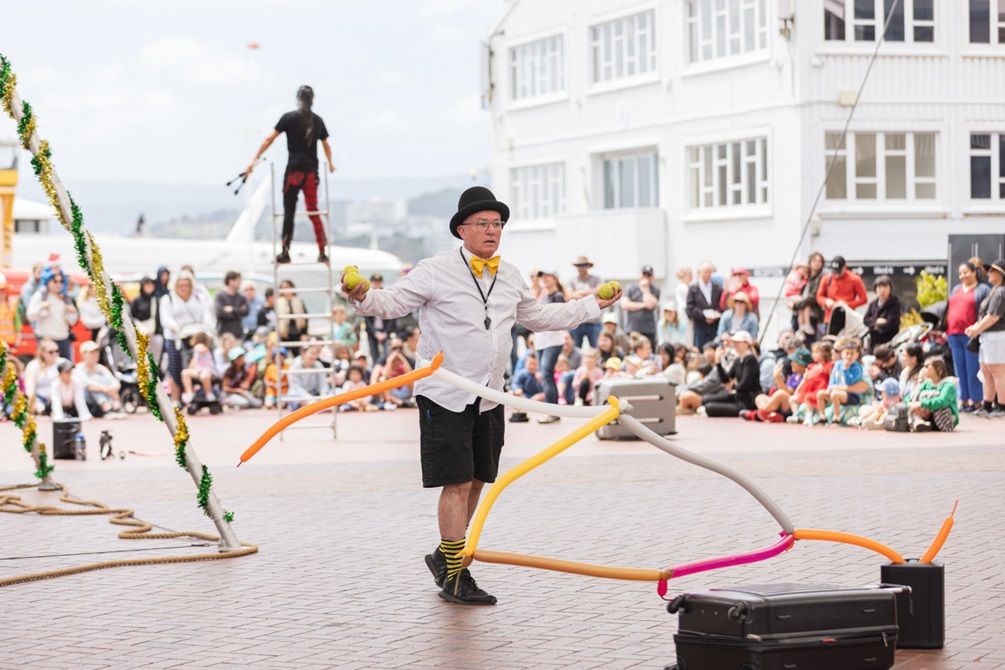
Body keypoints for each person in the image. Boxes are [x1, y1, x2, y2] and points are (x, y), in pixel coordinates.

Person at [342, 185, 622, 605]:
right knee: (455, 482)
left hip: (490, 394)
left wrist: (590, 306)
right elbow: (391, 302)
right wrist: (362, 296)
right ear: (462, 230)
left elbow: (539, 316)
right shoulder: (435, 269)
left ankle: (444, 557)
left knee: (476, 480)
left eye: (498, 224)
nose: (492, 231)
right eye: (483, 224)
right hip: (446, 392)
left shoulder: (509, 274)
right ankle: (455, 576)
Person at [244, 85, 335, 264]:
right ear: (312, 99)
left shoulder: (289, 118)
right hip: (310, 172)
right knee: (313, 211)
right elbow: (326, 145)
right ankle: (322, 251)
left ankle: (285, 251)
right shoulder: (317, 121)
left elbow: (269, 139)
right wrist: (330, 164)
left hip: (294, 171)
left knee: (289, 212)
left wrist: (253, 161)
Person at [160, 271, 214, 404]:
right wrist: (175, 327)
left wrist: (205, 327)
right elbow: (166, 318)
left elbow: (207, 314)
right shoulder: (168, 299)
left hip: (196, 337)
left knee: (198, 366)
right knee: (175, 368)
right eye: (181, 285)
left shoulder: (198, 298)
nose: (183, 288)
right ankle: (176, 399)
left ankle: (201, 394)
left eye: (186, 285)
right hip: (176, 338)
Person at [946, 260, 990, 412]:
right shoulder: (956, 289)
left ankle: (977, 402)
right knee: (959, 370)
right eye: (960, 273)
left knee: (973, 370)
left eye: (966, 272)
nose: (963, 276)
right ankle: (963, 401)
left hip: (971, 335)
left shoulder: (983, 289)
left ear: (974, 272)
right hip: (953, 334)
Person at [965, 258, 1005, 417]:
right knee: (986, 371)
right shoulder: (995, 290)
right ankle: (987, 404)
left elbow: (994, 316)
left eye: (993, 270)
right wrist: (976, 328)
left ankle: (1002, 406)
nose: (989, 273)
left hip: (996, 335)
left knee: (998, 371)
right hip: (987, 335)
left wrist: (976, 328)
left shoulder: (1001, 292)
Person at [700, 331, 761, 417]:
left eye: (738, 342)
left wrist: (732, 387)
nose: (735, 345)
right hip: (737, 396)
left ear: (746, 344)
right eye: (734, 342)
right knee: (705, 399)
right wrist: (718, 363)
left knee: (709, 407)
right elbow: (726, 379)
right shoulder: (737, 360)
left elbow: (745, 384)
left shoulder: (750, 360)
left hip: (746, 401)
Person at [534, 269, 567, 424]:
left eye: (548, 276)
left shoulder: (558, 295)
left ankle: (552, 412)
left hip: (553, 341)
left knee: (547, 374)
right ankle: (552, 411)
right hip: (541, 341)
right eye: (543, 277)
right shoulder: (543, 294)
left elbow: (559, 317)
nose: (544, 279)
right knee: (545, 375)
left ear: (555, 279)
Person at [26, 267, 79, 362]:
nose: (58, 284)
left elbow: (73, 321)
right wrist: (41, 307)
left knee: (66, 368)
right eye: (55, 281)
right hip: (46, 340)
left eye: (61, 281)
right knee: (45, 368)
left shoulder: (65, 298)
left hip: (63, 339)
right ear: (48, 281)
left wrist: (73, 312)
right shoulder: (40, 296)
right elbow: (30, 316)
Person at [748, 347, 811, 422]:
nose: (791, 363)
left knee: (781, 394)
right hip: (781, 404)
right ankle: (770, 414)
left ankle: (757, 414)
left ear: (802, 364)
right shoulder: (793, 376)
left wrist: (777, 377)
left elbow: (789, 393)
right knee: (760, 397)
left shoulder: (805, 377)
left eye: (795, 362)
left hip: (792, 405)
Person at [817, 338, 868, 425]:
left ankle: (837, 418)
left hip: (851, 395)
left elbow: (849, 383)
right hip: (837, 391)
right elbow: (833, 379)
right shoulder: (838, 364)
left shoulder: (857, 367)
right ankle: (822, 417)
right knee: (820, 394)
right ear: (842, 354)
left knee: (835, 394)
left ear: (857, 355)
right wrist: (829, 388)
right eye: (847, 353)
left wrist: (846, 369)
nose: (849, 356)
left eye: (852, 354)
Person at [816, 256, 868, 334]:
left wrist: (846, 304)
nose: (836, 275)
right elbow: (818, 296)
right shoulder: (826, 278)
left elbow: (864, 299)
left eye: (839, 272)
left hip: (847, 319)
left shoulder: (854, 279)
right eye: (835, 272)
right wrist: (826, 301)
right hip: (829, 318)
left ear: (845, 267)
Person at [73, 340, 124, 418]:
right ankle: (107, 408)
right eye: (92, 352)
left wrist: (110, 389)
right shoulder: (78, 368)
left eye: (97, 352)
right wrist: (105, 389)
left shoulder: (101, 368)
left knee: (105, 381)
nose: (95, 355)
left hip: (105, 396)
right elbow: (88, 385)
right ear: (83, 354)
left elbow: (116, 383)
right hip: (88, 401)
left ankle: (115, 407)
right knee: (96, 381)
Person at [908, 356, 959, 432]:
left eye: (927, 366)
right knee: (916, 395)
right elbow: (910, 396)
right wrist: (911, 404)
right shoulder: (927, 383)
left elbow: (942, 401)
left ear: (937, 368)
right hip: (927, 416)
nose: (924, 369)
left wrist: (921, 404)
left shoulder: (948, 385)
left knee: (933, 395)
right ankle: (918, 421)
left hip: (945, 419)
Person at [566, 256, 603, 348]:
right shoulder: (572, 281)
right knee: (575, 349)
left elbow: (600, 292)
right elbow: (569, 295)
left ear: (587, 266)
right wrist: (590, 295)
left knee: (597, 348)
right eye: (578, 265)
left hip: (594, 321)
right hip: (577, 321)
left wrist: (579, 292)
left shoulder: (596, 279)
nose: (580, 267)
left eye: (583, 265)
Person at [686, 262, 724, 350]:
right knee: (700, 350)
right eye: (705, 272)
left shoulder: (717, 288)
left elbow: (722, 305)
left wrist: (716, 314)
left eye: (709, 272)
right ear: (699, 273)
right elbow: (690, 307)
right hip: (700, 327)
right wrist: (704, 316)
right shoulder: (693, 288)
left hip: (714, 326)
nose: (707, 275)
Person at [622, 265, 660, 350]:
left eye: (648, 275)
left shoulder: (655, 290)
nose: (646, 277)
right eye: (644, 274)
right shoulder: (630, 288)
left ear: (652, 277)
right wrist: (643, 305)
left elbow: (650, 305)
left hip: (648, 330)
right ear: (640, 274)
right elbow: (625, 305)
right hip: (632, 329)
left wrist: (645, 289)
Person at [285, 344, 333, 410]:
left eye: (316, 354)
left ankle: (319, 406)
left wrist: (323, 396)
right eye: (312, 353)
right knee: (292, 395)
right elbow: (296, 387)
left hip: (315, 394)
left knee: (335, 392)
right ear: (303, 353)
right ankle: (316, 406)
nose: (314, 356)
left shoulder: (318, 365)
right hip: (301, 395)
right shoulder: (295, 366)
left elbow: (323, 384)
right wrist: (309, 398)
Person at [23, 339, 63, 414]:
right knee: (39, 408)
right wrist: (31, 401)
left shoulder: (63, 363)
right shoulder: (34, 365)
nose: (55, 354)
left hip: (60, 398)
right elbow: (30, 387)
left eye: (57, 351)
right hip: (40, 398)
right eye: (51, 352)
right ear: (43, 353)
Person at [863, 275, 901, 353]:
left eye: (885, 287)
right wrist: (876, 322)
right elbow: (866, 320)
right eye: (879, 287)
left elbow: (891, 323)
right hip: (873, 341)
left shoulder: (895, 303)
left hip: (888, 341)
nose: (882, 290)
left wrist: (876, 325)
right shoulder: (873, 304)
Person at [130, 276, 163, 363]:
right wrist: (140, 327)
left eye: (151, 284)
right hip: (140, 334)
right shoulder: (136, 300)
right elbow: (131, 317)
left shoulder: (157, 300)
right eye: (147, 284)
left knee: (155, 360)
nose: (149, 287)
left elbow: (159, 318)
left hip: (155, 335)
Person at [363, 274, 395, 361]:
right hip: (373, 332)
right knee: (374, 355)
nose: (376, 284)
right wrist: (376, 333)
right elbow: (367, 319)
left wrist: (385, 333)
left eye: (378, 282)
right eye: (374, 282)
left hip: (385, 331)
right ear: (371, 282)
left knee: (388, 354)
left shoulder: (386, 295)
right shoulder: (367, 295)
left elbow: (392, 317)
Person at [181, 332, 218, 404]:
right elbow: (193, 363)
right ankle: (190, 393)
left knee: (204, 376)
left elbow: (202, 349)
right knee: (185, 373)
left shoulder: (204, 349)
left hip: (207, 369)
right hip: (198, 370)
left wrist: (198, 348)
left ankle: (209, 393)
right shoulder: (195, 352)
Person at [215, 271, 250, 340]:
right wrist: (237, 314)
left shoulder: (241, 297)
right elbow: (219, 313)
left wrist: (232, 309)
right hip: (223, 334)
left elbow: (246, 311)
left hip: (237, 334)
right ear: (231, 281)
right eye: (238, 280)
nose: (240, 283)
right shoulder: (220, 296)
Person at [276, 279, 308, 349]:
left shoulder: (299, 300)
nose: (287, 290)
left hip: (298, 332)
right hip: (284, 334)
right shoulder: (278, 302)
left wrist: (304, 333)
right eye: (284, 288)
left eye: (288, 287)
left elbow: (305, 317)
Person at [0, 273, 23, 353]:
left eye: (3, 290)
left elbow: (17, 322)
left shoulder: (12, 304)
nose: (1, 293)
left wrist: (18, 337)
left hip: (10, 341)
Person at [673, 267, 693, 347]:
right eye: (689, 274)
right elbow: (682, 303)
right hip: (684, 315)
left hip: (690, 315)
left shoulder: (691, 286)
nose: (691, 276)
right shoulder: (680, 288)